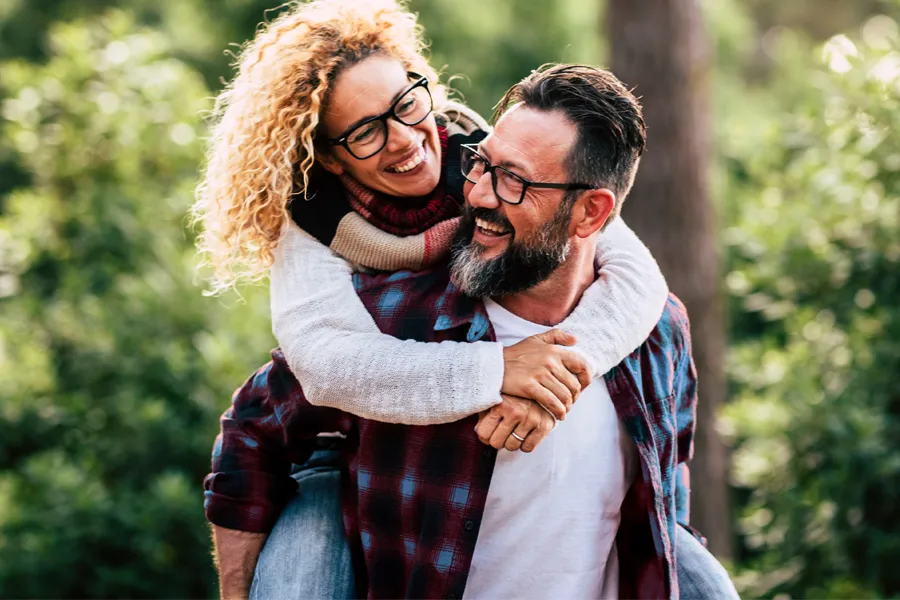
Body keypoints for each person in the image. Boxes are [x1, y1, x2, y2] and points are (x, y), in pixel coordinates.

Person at [204, 60, 739, 599]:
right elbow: (261, 423)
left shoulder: (655, 331)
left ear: (590, 214)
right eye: (483, 166)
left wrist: (564, 372)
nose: (477, 194)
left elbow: (665, 483)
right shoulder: (385, 318)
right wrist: (498, 370)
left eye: (514, 181)